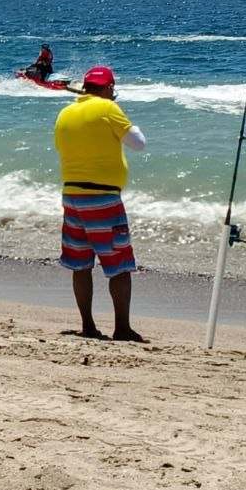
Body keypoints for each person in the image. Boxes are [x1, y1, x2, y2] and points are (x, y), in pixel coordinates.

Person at [54, 66, 146, 342]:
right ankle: (122, 328)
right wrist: (126, 121)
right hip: (103, 198)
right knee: (119, 264)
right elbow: (138, 143)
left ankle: (88, 326)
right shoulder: (108, 108)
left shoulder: (65, 113)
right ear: (108, 88)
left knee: (81, 263)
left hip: (72, 196)